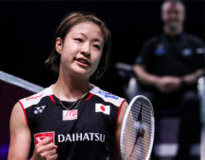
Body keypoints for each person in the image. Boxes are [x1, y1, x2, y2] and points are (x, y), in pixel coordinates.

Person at [8, 11, 128, 160]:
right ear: (59, 45)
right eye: (79, 39)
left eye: (96, 46)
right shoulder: (25, 110)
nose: (86, 50)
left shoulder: (118, 108)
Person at [133, 0, 204, 159]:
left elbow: (202, 70)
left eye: (176, 12)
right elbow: (138, 68)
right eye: (169, 13)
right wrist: (157, 81)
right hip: (157, 93)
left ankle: (183, 155)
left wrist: (182, 81)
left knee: (192, 101)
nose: (173, 16)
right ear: (163, 15)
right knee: (146, 100)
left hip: (185, 93)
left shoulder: (195, 43)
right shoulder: (152, 44)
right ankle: (149, 155)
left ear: (183, 15)